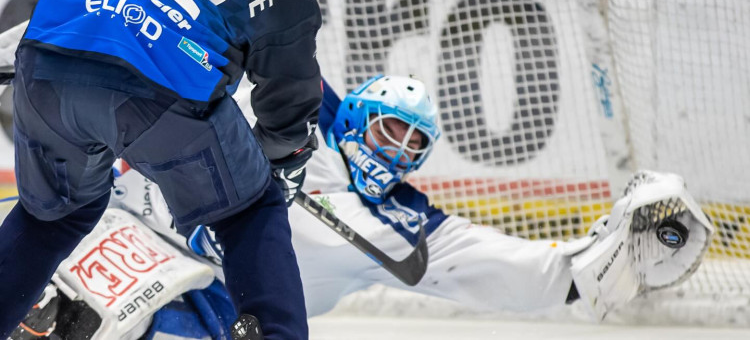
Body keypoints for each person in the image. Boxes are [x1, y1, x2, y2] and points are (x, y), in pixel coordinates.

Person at [8, 74, 714, 339]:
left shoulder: (405, 226)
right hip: (118, 222)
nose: (398, 149)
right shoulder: (300, 111)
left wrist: (602, 262)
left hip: (219, 310)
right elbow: (245, 51)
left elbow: (530, 271)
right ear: (356, 120)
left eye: (414, 143)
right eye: (387, 128)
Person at [0, 0, 322, 338]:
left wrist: (97, 6)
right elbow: (288, 115)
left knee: (52, 217)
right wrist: (280, 171)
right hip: (165, 85)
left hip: (48, 57)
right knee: (252, 211)